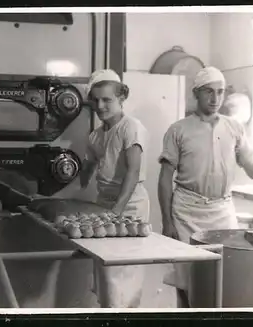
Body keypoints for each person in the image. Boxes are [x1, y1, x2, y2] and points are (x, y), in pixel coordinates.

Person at [157, 66, 253, 308]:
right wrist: (167, 222)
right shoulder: (179, 130)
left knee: (224, 275)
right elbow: (164, 178)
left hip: (222, 211)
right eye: (208, 92)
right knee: (187, 278)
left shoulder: (234, 128)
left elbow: (252, 168)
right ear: (196, 93)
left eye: (220, 92)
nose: (215, 99)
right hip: (187, 212)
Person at [79, 69, 150, 308]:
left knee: (125, 273)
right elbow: (87, 168)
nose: (100, 106)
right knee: (106, 273)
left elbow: (133, 171)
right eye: (96, 100)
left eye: (107, 99)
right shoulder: (96, 136)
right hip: (105, 204)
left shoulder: (131, 128)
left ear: (121, 98)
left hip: (129, 206)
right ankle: (109, 313)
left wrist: (117, 209)